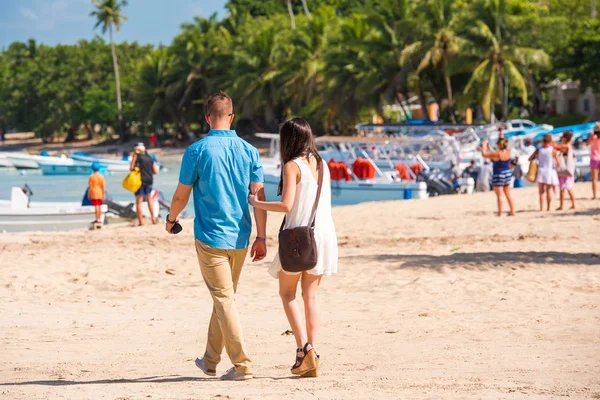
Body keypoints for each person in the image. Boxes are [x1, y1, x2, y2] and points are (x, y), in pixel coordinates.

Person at [165, 92, 267, 381]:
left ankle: (243, 365)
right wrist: (262, 237)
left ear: (208, 118)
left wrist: (171, 220)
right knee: (225, 298)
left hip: (210, 237)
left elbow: (180, 195)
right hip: (241, 236)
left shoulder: (196, 150)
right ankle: (210, 361)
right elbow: (258, 195)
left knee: (223, 299)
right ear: (231, 117)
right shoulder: (249, 150)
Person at [249, 118, 338, 378]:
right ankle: (314, 351)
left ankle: (303, 350)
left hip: (298, 237)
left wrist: (257, 202)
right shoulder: (322, 164)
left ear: (288, 140)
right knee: (310, 295)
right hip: (322, 234)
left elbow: (286, 205)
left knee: (287, 294)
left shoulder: (292, 165)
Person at [481, 138, 515, 216]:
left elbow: (484, 154)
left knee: (499, 195)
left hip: (499, 174)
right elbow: (497, 155)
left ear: (499, 145)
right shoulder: (507, 152)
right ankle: (512, 211)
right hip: (507, 174)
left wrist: (483, 146)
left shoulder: (497, 154)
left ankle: (500, 213)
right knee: (508, 194)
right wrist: (491, 149)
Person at [129, 143, 159, 225]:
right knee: (149, 200)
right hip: (149, 180)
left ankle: (141, 222)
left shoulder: (137, 157)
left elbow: (131, 168)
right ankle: (153, 218)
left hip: (140, 181)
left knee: (139, 202)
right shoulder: (149, 157)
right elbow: (155, 171)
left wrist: (134, 158)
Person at [529, 134, 560, 211]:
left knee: (541, 192)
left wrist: (537, 158)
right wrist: (555, 168)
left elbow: (530, 158)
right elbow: (558, 162)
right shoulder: (553, 150)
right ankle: (548, 207)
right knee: (549, 190)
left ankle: (541, 208)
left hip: (541, 171)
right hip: (550, 171)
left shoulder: (539, 150)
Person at [553, 131, 576, 210]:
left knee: (563, 188)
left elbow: (557, 147)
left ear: (565, 138)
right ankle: (573, 204)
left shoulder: (566, 146)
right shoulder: (570, 146)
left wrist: (550, 141)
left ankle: (562, 206)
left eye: (562, 137)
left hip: (565, 170)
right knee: (568, 188)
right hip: (568, 170)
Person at [586, 123, 600, 200]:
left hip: (594, 158)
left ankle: (595, 196)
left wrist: (591, 135)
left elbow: (587, 144)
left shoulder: (593, 137)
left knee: (594, 179)